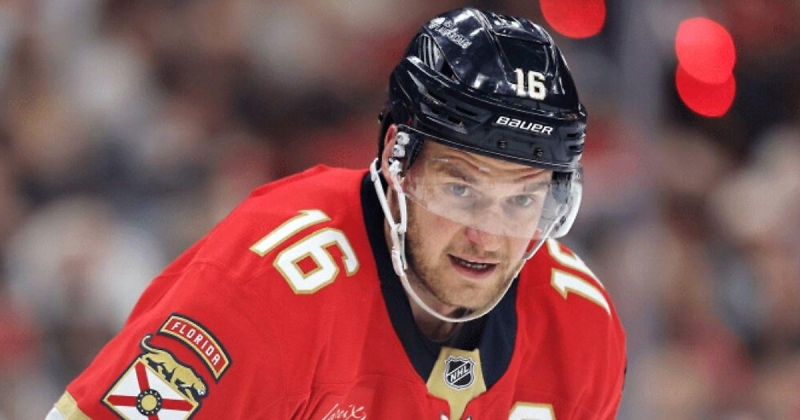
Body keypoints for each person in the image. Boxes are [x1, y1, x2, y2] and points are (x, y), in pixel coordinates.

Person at [47, 7, 626, 420]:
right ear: (398, 162)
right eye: (460, 188)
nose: (487, 235)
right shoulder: (264, 292)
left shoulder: (580, 329)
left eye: (521, 199)